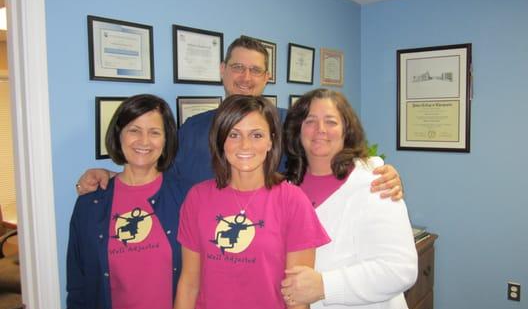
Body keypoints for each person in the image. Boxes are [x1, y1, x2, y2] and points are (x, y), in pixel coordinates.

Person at [75, 36, 403, 199]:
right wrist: (110, 175)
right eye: (237, 67)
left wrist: (377, 171)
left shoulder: (291, 125)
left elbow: (331, 161)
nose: (245, 77)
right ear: (223, 71)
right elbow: (162, 181)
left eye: (255, 70)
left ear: (267, 77)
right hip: (206, 260)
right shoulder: (193, 129)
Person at [172, 95, 330, 309]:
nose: (245, 145)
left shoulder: (292, 201)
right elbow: (189, 284)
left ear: (271, 141)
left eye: (256, 135)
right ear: (221, 140)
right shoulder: (198, 198)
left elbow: (297, 297)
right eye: (234, 134)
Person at [280, 89, 418, 309]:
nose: (320, 129)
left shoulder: (375, 183)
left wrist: (324, 285)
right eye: (310, 121)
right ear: (298, 130)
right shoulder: (285, 186)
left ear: (346, 130)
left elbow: (401, 270)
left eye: (331, 121)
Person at [63, 94, 186, 309]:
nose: (144, 141)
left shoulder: (186, 198)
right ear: (119, 135)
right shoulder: (90, 204)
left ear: (166, 140)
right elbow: (79, 285)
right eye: (134, 130)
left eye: (154, 132)